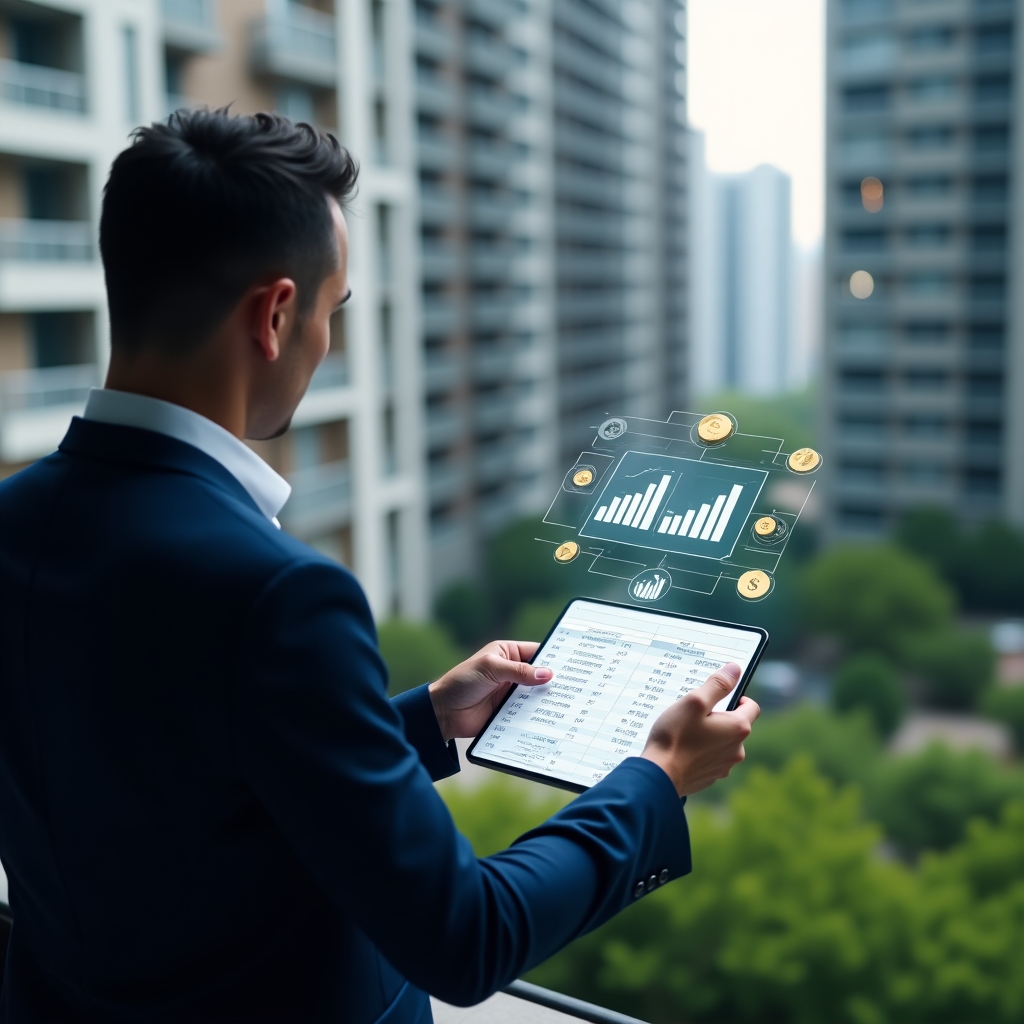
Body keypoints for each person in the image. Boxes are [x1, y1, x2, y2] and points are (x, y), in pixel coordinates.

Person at [0, 109, 759, 1023]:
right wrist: (656, 778)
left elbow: (175, 792)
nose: (328, 343)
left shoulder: (18, 520)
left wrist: (429, 721)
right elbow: (464, 935)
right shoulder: (275, 594)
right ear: (276, 315)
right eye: (333, 311)